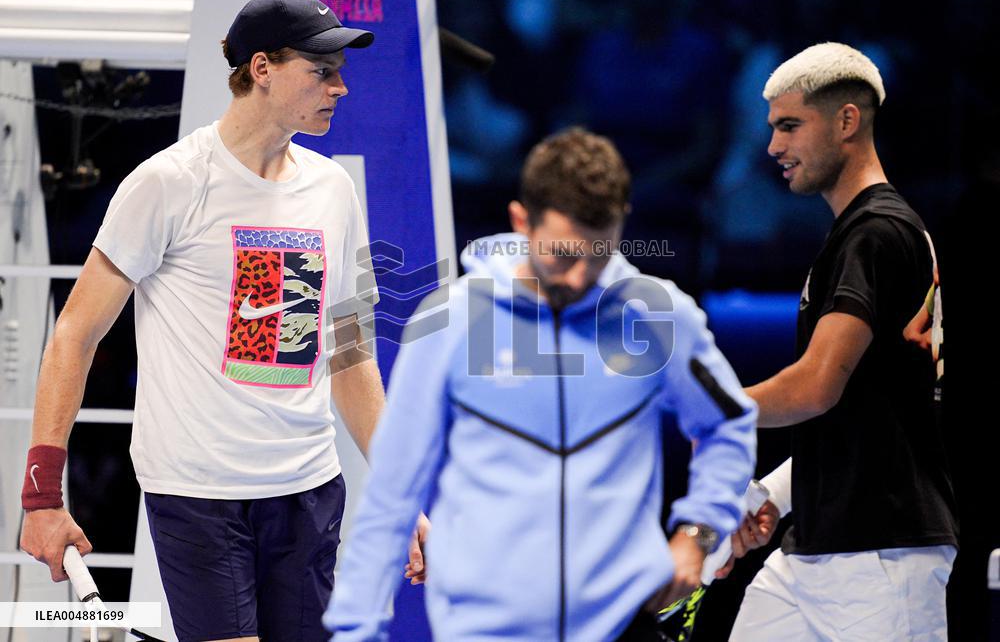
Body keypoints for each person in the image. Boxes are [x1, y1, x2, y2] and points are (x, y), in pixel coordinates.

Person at [18, 0, 426, 642]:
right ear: (260, 69)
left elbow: (350, 354)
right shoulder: (169, 183)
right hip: (199, 495)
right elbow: (75, 332)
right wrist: (41, 496)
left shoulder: (333, 191)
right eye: (322, 71)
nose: (340, 87)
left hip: (309, 490)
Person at [325, 127, 757, 641]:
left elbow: (728, 424)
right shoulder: (452, 321)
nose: (578, 277)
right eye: (561, 253)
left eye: (598, 254)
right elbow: (393, 491)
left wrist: (698, 532)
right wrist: (357, 629)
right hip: (484, 628)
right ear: (520, 222)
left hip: (624, 623)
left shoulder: (655, 314)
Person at [721, 42, 959, 640]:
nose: (774, 146)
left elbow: (817, 387)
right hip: (812, 555)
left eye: (790, 126)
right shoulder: (862, 234)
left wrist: (707, 407)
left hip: (883, 561)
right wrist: (773, 492)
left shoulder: (876, 233)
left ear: (847, 121)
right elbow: (867, 411)